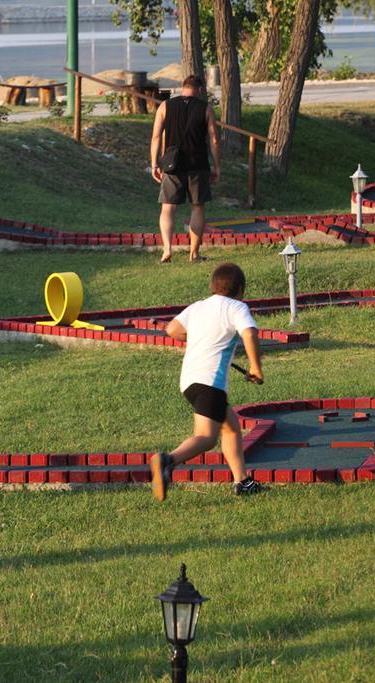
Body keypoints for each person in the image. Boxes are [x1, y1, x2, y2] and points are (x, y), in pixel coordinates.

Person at [150, 263, 264, 500]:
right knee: (207, 437)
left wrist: (201, 339)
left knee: (231, 426)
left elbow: (172, 329)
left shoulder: (198, 307)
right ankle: (167, 461)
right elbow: (250, 333)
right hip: (210, 382)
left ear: (214, 286)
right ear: (240, 289)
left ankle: (243, 481)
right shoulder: (237, 307)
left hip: (190, 381)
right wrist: (255, 366)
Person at [149, 74, 221, 264]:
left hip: (172, 165)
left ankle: (166, 251)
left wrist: (154, 163)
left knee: (168, 208)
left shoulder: (165, 106)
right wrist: (217, 166)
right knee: (197, 208)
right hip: (198, 164)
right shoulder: (205, 108)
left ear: (183, 88)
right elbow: (213, 139)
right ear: (199, 90)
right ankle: (194, 254)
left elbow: (156, 136)